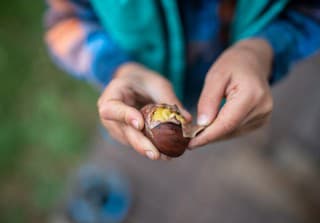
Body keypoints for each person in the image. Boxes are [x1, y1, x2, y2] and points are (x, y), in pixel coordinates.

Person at [45, 0, 320, 160]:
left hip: (236, 77)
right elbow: (65, 24)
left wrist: (263, 49)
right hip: (139, 90)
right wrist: (117, 69)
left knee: (240, 121)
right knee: (129, 128)